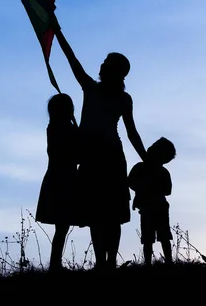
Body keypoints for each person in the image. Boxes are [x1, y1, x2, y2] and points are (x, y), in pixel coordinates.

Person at [52, 26, 148, 271]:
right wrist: (57, 31)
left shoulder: (111, 95)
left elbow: (131, 132)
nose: (102, 64)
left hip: (107, 158)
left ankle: (109, 263)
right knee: (100, 212)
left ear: (115, 70)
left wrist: (146, 159)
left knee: (108, 213)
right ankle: (103, 263)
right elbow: (71, 60)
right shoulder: (95, 90)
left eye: (107, 62)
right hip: (97, 157)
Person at [35, 93, 80, 272]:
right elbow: (75, 154)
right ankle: (55, 264)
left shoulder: (54, 126)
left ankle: (55, 263)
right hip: (63, 177)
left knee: (61, 225)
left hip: (58, 176)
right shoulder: (62, 128)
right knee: (62, 224)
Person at [127, 137, 176, 266]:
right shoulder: (145, 169)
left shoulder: (161, 172)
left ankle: (167, 261)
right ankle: (151, 263)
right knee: (149, 238)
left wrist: (145, 188)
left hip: (156, 208)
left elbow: (167, 190)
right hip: (149, 208)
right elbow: (130, 182)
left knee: (161, 237)